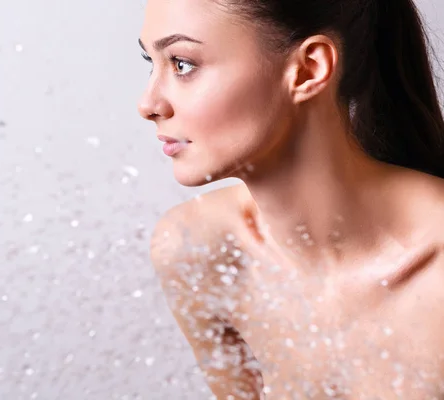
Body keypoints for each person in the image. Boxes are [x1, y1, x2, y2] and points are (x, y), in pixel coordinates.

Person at [137, 0, 444, 398]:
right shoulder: (200, 252)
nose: (148, 105)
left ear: (307, 69)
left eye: (182, 64)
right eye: (151, 61)